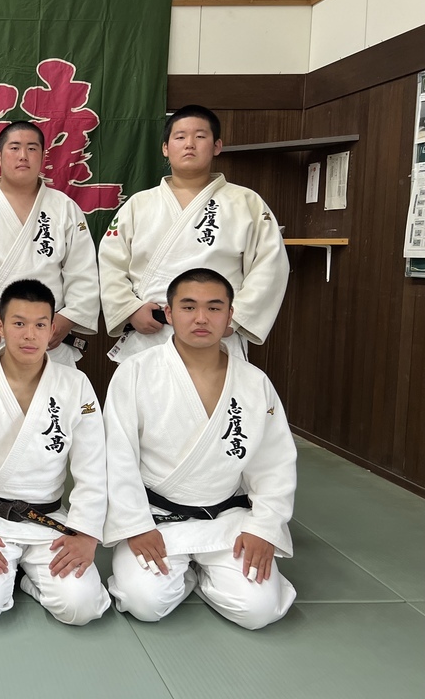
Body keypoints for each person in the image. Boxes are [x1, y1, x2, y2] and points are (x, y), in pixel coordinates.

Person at [103, 268, 297, 630]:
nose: (201, 318)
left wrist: (264, 527)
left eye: (214, 307)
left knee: (259, 610)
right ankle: (190, 572)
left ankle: (206, 572)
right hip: (155, 516)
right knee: (145, 602)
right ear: (169, 313)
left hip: (228, 519)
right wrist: (134, 524)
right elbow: (117, 456)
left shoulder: (254, 382)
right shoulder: (135, 372)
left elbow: (275, 464)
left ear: (230, 315)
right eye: (189, 307)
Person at [0, 279, 110, 625]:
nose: (29, 335)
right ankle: (9, 576)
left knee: (82, 607)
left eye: (40, 325)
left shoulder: (75, 384)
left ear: (52, 329)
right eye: (18, 323)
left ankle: (27, 581)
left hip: (49, 520)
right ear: (0, 326)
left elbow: (93, 466)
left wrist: (85, 533)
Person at [98, 104, 288, 363]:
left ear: (217, 146)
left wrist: (237, 317)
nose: (189, 144)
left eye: (200, 136)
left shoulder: (246, 202)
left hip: (217, 331)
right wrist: (130, 308)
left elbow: (270, 265)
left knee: (216, 389)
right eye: (180, 137)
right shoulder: (138, 204)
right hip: (151, 330)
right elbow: (110, 262)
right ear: (165, 148)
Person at [0, 121, 99, 367]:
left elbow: (83, 272)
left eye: (32, 148)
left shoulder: (65, 208)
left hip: (48, 335)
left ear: (43, 156)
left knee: (55, 392)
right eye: (15, 148)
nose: (23, 156)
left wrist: (67, 319)